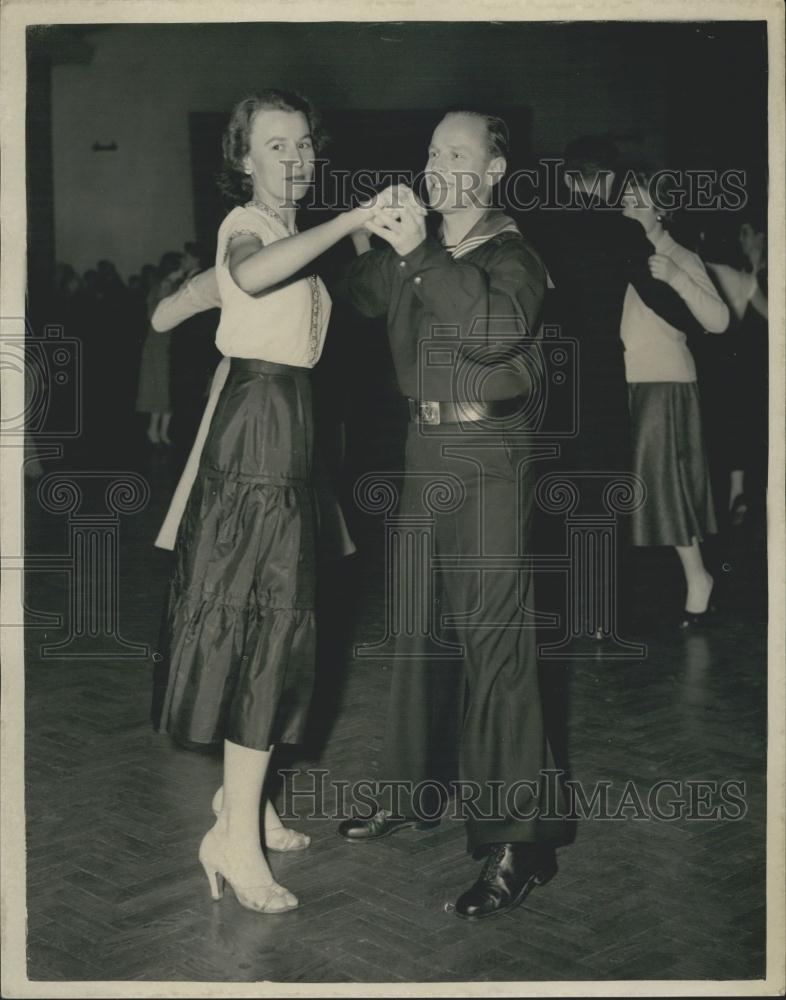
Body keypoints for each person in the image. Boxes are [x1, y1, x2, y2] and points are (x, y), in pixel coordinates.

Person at [335, 110, 569, 920]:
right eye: (432, 151)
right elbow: (365, 296)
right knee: (415, 632)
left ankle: (519, 842)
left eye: (457, 152)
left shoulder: (515, 255)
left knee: (495, 648)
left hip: (489, 457)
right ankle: (410, 791)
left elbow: (490, 335)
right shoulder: (421, 247)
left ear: (495, 169)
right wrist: (368, 232)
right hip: (421, 449)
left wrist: (417, 250)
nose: (437, 164)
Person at [154, 89, 380, 915]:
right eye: (275, 145)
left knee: (274, 624)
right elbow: (245, 269)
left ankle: (242, 805)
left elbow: (208, 298)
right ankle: (233, 842)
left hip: (286, 430)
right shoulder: (248, 227)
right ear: (243, 159)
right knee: (262, 627)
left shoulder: (286, 234)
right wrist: (348, 220)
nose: (295, 158)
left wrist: (179, 302)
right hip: (257, 435)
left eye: (303, 145)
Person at [619, 170, 729, 627]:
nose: (625, 209)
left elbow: (719, 320)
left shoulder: (677, 255)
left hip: (665, 385)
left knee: (667, 486)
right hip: (627, 384)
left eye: (634, 201)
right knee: (644, 488)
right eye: (621, 201)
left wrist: (678, 277)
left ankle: (699, 578)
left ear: (658, 209)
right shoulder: (623, 254)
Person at [705, 213, 768, 526]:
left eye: (746, 232)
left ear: (761, 235)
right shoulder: (745, 275)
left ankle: (740, 493)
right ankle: (737, 493)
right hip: (745, 362)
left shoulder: (760, 275)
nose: (741, 239)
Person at [135, 251, 184, 445]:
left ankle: (160, 431)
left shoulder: (165, 285)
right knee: (161, 387)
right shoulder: (165, 286)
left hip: (160, 341)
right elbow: (161, 314)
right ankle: (156, 430)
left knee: (163, 388)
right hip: (160, 342)